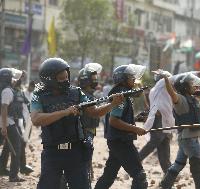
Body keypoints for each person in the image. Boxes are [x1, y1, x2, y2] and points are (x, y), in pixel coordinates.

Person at [30, 58, 123, 189]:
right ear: (50, 79)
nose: (66, 81)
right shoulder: (38, 95)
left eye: (66, 77)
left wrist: (113, 104)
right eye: (61, 78)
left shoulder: (76, 92)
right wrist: (65, 112)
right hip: (52, 152)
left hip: (75, 151)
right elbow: (36, 119)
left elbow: (94, 112)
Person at [95, 64, 148, 189]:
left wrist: (135, 119)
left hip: (117, 140)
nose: (134, 80)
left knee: (109, 175)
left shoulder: (123, 94)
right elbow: (114, 121)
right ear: (123, 79)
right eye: (131, 77)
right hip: (121, 142)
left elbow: (119, 117)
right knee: (139, 176)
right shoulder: (120, 96)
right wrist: (136, 129)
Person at [160, 72, 200, 189]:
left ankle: (165, 185)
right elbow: (171, 93)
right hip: (189, 139)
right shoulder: (181, 99)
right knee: (196, 167)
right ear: (185, 87)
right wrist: (166, 79)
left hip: (188, 138)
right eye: (192, 84)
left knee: (178, 164)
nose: (195, 86)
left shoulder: (193, 100)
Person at [139, 70, 172, 174]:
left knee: (164, 146)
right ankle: (135, 161)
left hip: (165, 121)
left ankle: (168, 172)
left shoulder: (163, 91)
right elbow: (156, 107)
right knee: (154, 143)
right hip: (158, 120)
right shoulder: (157, 91)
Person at [0, 68, 26, 181]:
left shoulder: (5, 89)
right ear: (7, 78)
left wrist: (20, 77)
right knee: (17, 145)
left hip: (5, 122)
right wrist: (4, 127)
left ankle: (1, 169)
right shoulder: (7, 91)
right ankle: (13, 175)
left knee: (7, 146)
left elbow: (15, 81)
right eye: (11, 77)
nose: (13, 79)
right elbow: (4, 108)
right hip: (7, 122)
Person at [78, 63, 102, 180]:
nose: (95, 81)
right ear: (85, 81)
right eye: (93, 79)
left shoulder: (90, 95)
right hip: (83, 131)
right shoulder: (83, 96)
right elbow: (94, 112)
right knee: (83, 158)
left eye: (95, 79)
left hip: (90, 130)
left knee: (87, 155)